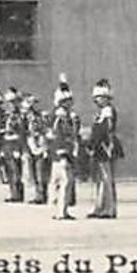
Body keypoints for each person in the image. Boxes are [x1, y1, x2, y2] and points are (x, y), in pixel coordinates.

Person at [47, 78, 80, 220]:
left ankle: (58, 210)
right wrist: (63, 153)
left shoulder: (62, 115)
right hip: (62, 152)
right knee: (65, 181)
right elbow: (60, 135)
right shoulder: (61, 116)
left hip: (60, 152)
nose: (71, 103)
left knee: (58, 181)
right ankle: (61, 211)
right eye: (68, 101)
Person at [89, 79, 121, 218]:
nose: (98, 100)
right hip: (99, 148)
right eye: (97, 98)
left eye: (101, 98)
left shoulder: (108, 111)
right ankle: (100, 206)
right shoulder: (101, 112)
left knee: (106, 178)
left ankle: (109, 208)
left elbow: (106, 130)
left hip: (106, 147)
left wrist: (101, 144)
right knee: (100, 179)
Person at [22, 92, 50, 204]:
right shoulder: (27, 118)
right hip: (31, 145)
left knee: (40, 172)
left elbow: (42, 130)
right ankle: (38, 194)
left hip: (39, 145)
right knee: (33, 172)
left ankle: (41, 195)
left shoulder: (40, 117)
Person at [0, 88, 26, 203]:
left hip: (15, 144)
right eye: (9, 103)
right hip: (6, 145)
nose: (10, 105)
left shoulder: (19, 116)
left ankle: (17, 194)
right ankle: (12, 192)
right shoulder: (6, 116)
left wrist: (17, 148)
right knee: (9, 171)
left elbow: (21, 132)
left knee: (16, 171)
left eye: (13, 102)